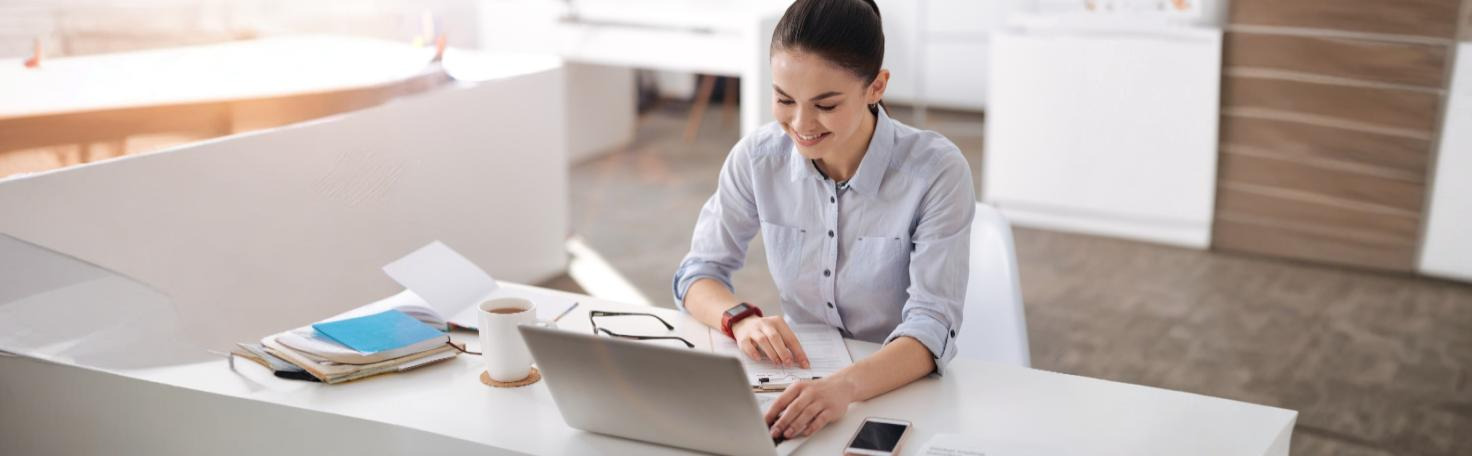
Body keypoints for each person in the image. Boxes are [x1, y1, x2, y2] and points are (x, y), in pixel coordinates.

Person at [670, 0, 976, 440]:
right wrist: (740, 319)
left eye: (826, 105)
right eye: (783, 99)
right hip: (797, 383)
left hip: (898, 389)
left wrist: (842, 388)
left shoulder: (936, 172)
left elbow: (932, 327)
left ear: (876, 87)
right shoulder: (757, 159)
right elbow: (696, 274)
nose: (800, 124)